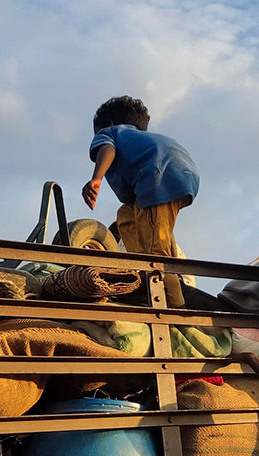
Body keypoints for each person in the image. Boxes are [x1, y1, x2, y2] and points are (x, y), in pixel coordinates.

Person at [82, 96, 199, 307]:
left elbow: (107, 149)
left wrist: (96, 179)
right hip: (182, 175)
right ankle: (139, 267)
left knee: (157, 253)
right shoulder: (138, 141)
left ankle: (174, 305)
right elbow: (130, 201)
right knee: (129, 217)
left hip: (157, 176)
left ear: (107, 125)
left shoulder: (110, 133)